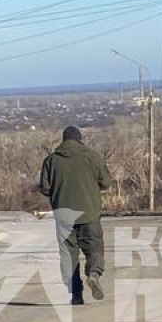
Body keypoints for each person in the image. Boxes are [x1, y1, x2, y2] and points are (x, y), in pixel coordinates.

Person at [37, 125, 112, 305]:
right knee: (94, 247)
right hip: (89, 213)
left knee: (68, 254)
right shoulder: (92, 157)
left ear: (63, 141)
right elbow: (106, 182)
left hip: (63, 216)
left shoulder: (51, 161)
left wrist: (59, 193)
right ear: (79, 139)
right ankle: (93, 274)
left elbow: (45, 188)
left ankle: (76, 294)